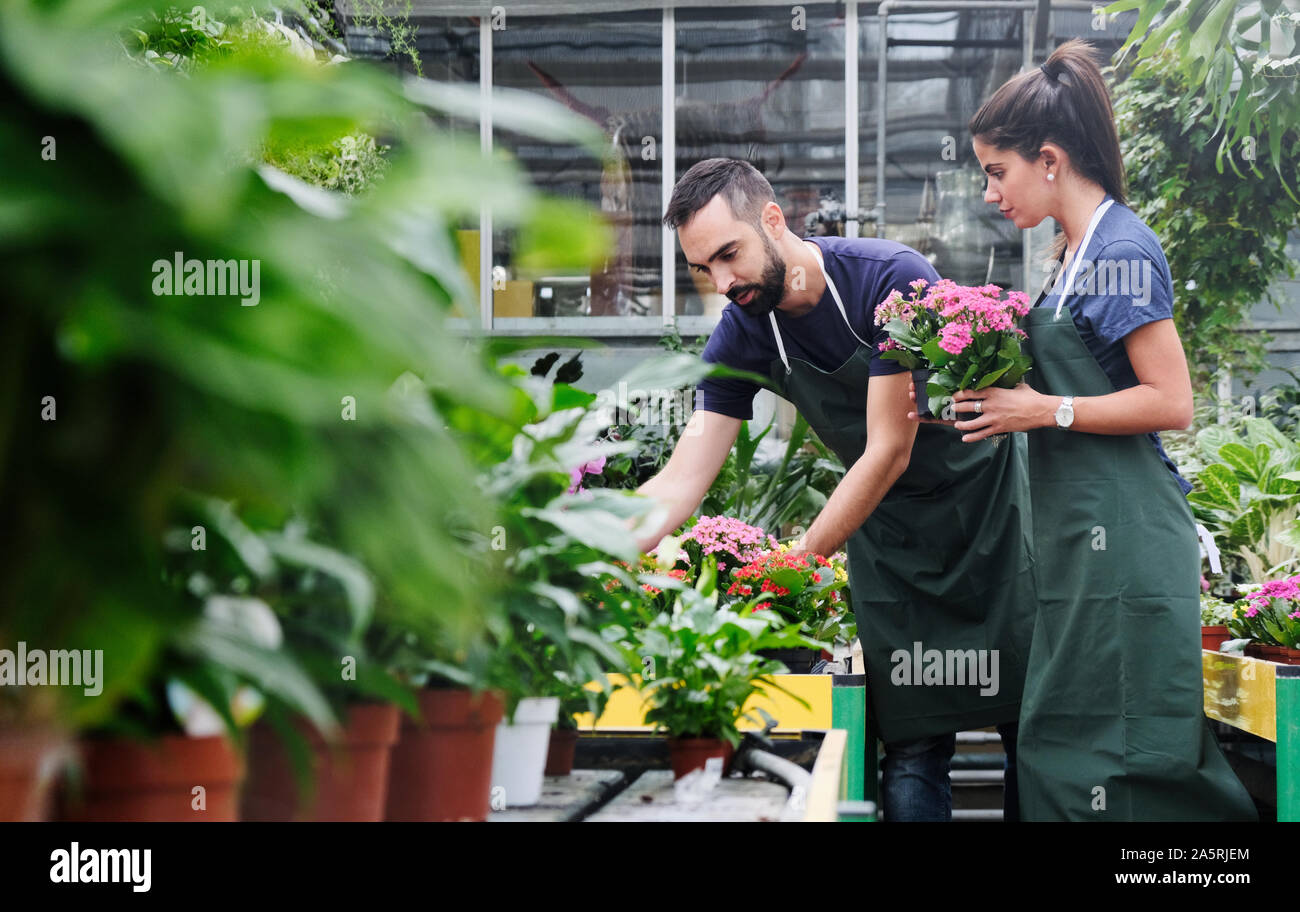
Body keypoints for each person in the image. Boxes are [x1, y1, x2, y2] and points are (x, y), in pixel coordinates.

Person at [917, 39, 1257, 820]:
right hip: (1079, 542)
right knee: (1063, 741)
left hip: (1128, 543)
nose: (990, 193)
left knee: (1129, 755)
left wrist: (1044, 409)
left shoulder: (1122, 250)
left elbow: (1172, 401)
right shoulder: (1070, 254)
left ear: (1048, 159)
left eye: (996, 172)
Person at [637, 157, 1037, 821]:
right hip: (890, 542)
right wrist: (594, 544)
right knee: (913, 744)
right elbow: (685, 473)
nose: (724, 282)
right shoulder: (743, 331)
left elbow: (889, 447)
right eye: (705, 269)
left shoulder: (888, 278)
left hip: (987, 519)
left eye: (730, 255)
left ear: (773, 218)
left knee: (1028, 732)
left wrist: (791, 567)